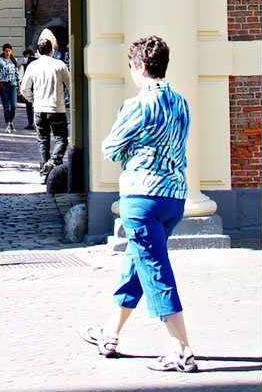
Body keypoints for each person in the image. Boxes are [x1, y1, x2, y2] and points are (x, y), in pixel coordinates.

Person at [80, 36, 197, 373]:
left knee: (155, 270)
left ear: (140, 67)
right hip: (174, 196)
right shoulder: (181, 103)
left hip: (141, 197)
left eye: (131, 66)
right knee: (137, 263)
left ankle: (182, 350)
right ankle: (110, 334)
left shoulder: (137, 105)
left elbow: (110, 147)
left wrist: (134, 153)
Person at [20, 36, 70, 174]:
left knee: (43, 141)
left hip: (39, 108)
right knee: (61, 139)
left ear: (38, 51)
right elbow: (70, 85)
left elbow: (24, 88)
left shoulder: (32, 66)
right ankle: (54, 163)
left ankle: (44, 171)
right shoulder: (60, 65)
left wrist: (33, 100)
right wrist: (68, 100)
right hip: (56, 108)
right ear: (52, 50)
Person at [0, 43, 20, 131]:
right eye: (6, 51)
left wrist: (19, 88)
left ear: (11, 51)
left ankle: (11, 120)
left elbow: (17, 75)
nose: (7, 53)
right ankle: (8, 123)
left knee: (14, 105)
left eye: (9, 51)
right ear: (3, 51)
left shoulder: (13, 61)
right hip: (3, 84)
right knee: (6, 106)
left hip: (12, 85)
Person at [18, 47, 37, 129]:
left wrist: (20, 89)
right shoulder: (38, 62)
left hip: (28, 87)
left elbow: (21, 77)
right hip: (38, 86)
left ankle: (30, 123)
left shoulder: (24, 65)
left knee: (29, 107)